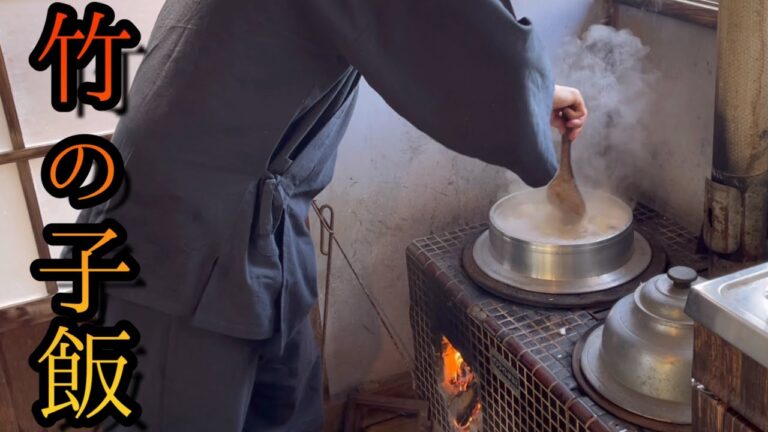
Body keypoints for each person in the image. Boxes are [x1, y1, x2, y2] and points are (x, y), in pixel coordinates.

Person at [77, 0, 588, 430]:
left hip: (254, 224)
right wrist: (533, 97)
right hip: (174, 241)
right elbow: (468, 43)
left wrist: (537, 96)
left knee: (287, 408)